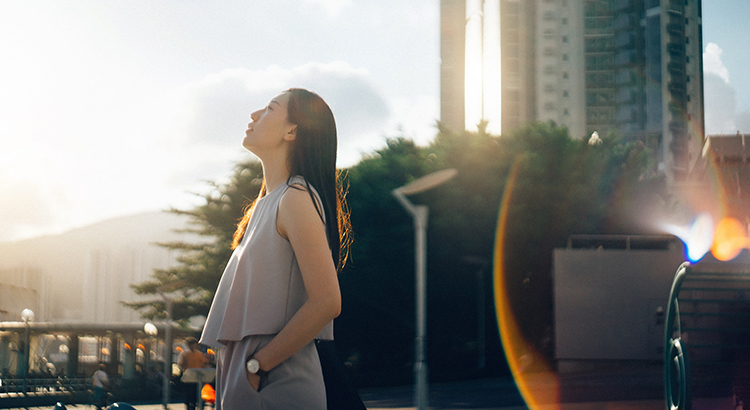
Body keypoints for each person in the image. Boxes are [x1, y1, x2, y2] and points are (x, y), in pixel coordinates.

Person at [200, 88, 353, 409]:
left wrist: (256, 367)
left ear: (292, 131)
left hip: (274, 381)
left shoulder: (295, 197)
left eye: (270, 108)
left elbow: (327, 302)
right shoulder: (265, 204)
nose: (255, 115)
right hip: (251, 376)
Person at [178, 337, 209, 410]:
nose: (192, 346)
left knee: (198, 395)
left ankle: (198, 406)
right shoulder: (185, 354)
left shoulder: (199, 354)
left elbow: (204, 363)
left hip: (197, 378)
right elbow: (181, 364)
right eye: (191, 344)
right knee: (189, 395)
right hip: (189, 378)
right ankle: (190, 407)